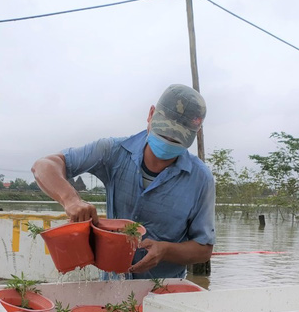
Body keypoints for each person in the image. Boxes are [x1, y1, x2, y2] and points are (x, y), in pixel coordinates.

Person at [32, 84, 215, 279]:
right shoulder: (113, 152)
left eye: (177, 141)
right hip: (112, 286)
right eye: (162, 135)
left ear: (195, 135)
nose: (167, 144)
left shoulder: (201, 179)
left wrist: (165, 250)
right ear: (151, 114)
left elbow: (203, 249)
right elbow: (44, 166)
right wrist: (71, 199)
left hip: (165, 292)